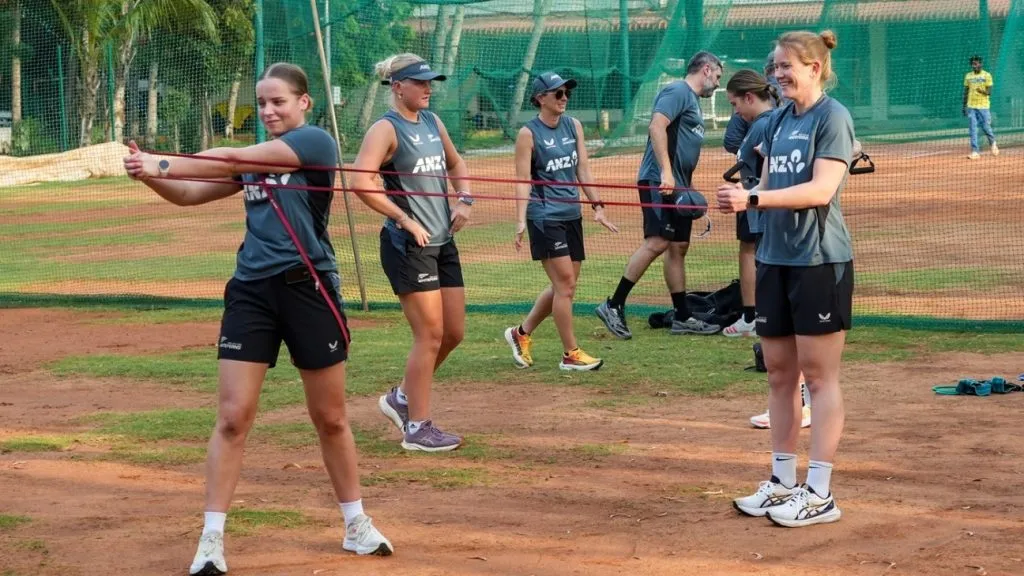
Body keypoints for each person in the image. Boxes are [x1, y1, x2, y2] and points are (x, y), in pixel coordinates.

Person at [123, 62, 393, 575]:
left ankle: (355, 524)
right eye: (262, 102)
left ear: (303, 103)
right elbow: (187, 193)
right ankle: (211, 540)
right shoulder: (250, 161)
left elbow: (225, 157)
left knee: (330, 418)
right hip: (251, 291)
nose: (268, 111)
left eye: (278, 102)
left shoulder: (314, 143)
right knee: (232, 418)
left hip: (309, 287)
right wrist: (151, 176)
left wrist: (164, 161)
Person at [718, 30, 854, 527]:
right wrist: (748, 189)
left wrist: (752, 199)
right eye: (774, 67)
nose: (777, 75)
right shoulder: (774, 121)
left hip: (818, 261)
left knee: (819, 378)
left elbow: (821, 190)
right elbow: (758, 173)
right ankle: (782, 483)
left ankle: (820, 492)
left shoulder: (832, 117)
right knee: (779, 375)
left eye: (785, 67)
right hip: (775, 257)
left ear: (814, 68)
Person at [349, 53, 472, 453]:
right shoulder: (385, 129)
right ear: (397, 86)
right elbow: (361, 182)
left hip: (442, 242)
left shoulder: (434, 123)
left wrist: (464, 200)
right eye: (419, 82)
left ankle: (401, 398)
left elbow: (457, 164)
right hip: (409, 245)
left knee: (453, 333)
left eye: (430, 81)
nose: (428, 88)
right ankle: (417, 427)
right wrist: (405, 219)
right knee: (430, 335)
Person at [595, 51, 724, 339]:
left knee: (678, 246)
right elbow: (656, 125)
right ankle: (613, 304)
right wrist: (666, 172)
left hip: (679, 187)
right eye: (717, 77)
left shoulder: (692, 102)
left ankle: (682, 316)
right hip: (658, 181)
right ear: (705, 69)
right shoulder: (678, 90)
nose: (717, 84)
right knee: (658, 242)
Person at [504, 72, 618, 371]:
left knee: (564, 286)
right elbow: (522, 181)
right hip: (544, 217)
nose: (565, 98)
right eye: (558, 93)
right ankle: (570, 354)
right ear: (541, 98)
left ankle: (521, 333)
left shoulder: (573, 125)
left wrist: (598, 206)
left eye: (567, 92)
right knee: (565, 285)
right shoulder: (528, 134)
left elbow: (582, 169)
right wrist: (519, 221)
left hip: (571, 215)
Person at [724, 68, 814, 432]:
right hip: (768, 222)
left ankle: (802, 404)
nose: (735, 112)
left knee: (792, 327)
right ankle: (796, 403)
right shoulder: (773, 123)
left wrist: (751, 196)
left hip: (776, 228)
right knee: (781, 328)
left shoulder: (769, 123)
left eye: (734, 104)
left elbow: (767, 171)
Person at [963, 55, 999, 160]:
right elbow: (965, 92)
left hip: (983, 106)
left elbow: (989, 92)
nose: (974, 66)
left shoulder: (987, 75)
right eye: (973, 64)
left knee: (985, 127)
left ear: (980, 64)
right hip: (971, 106)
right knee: (973, 128)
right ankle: (975, 152)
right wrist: (964, 106)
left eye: (976, 63)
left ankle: (993, 143)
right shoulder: (968, 76)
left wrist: (981, 91)